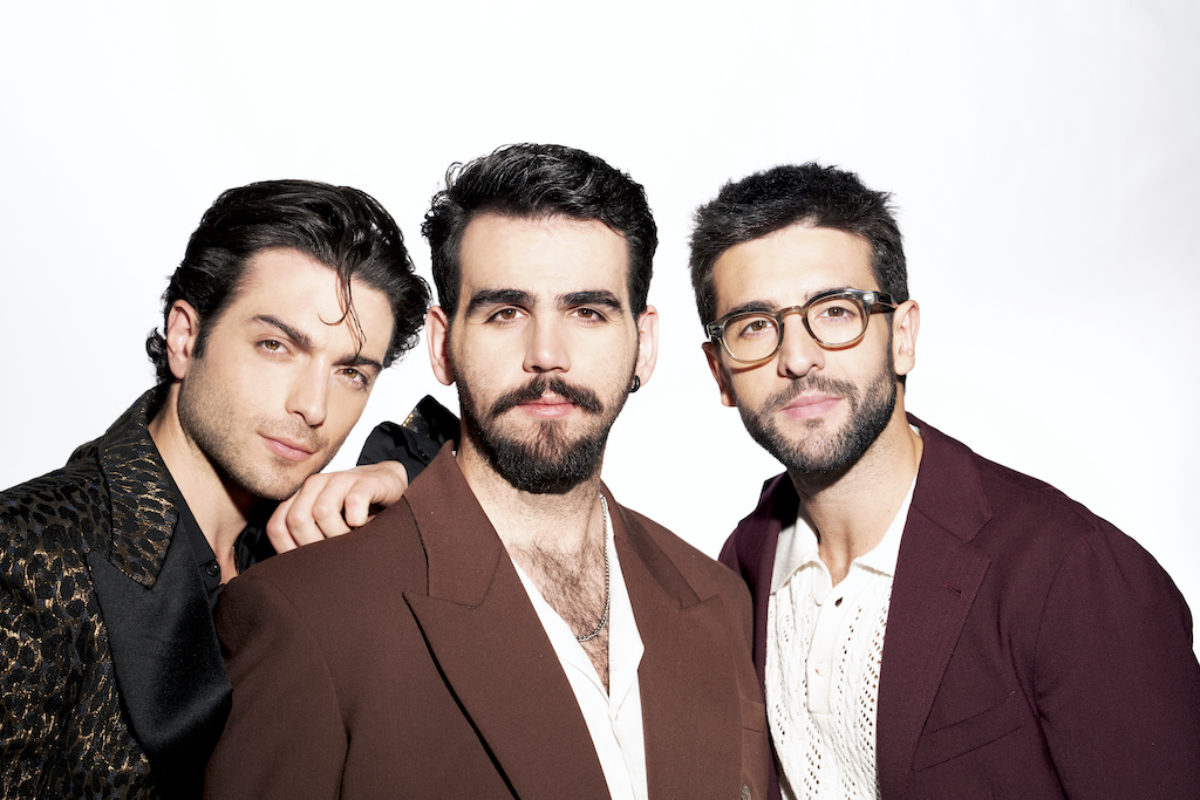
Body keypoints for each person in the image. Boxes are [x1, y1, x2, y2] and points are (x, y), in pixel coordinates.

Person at [205, 144, 769, 800]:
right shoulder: (307, 615)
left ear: (643, 345)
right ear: (442, 345)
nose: (547, 355)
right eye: (506, 313)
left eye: (588, 312)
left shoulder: (719, 601)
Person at [690, 163, 1200, 799]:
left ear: (902, 337)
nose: (797, 357)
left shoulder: (1071, 570)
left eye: (836, 311)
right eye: (756, 326)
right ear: (720, 372)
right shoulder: (744, 564)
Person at [0, 179, 429, 799]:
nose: (313, 407)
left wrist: (407, 480)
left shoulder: (307, 546)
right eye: (276, 346)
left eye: (351, 373)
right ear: (184, 338)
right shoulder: (26, 555)